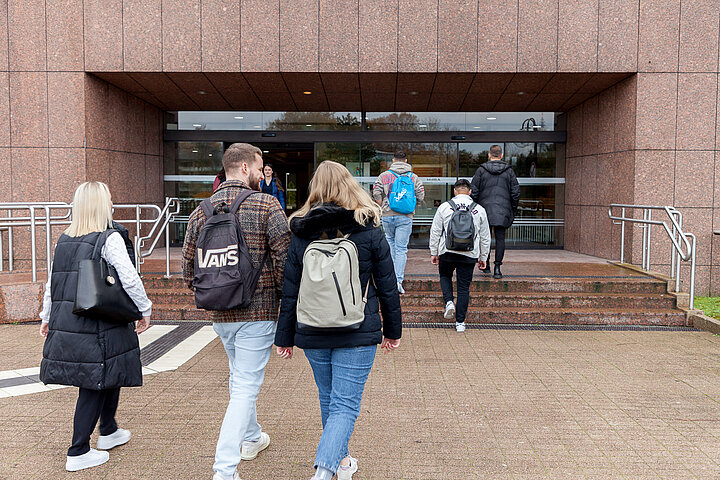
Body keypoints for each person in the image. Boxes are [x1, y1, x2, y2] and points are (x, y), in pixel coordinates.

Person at [275, 160, 402, 480]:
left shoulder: (300, 230)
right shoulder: (368, 227)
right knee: (344, 406)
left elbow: (290, 289)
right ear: (350, 184)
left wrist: (285, 337)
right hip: (358, 328)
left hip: (312, 328)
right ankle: (325, 470)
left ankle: (342, 462)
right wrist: (392, 330)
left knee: (329, 399)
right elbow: (387, 284)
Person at [181, 143, 291, 480]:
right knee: (244, 386)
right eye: (259, 167)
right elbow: (287, 262)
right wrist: (285, 306)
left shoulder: (201, 211)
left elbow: (189, 271)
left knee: (239, 380)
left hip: (220, 314)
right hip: (258, 313)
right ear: (244, 168)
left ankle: (252, 437)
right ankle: (224, 470)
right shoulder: (266, 204)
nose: (262, 173)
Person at [38, 181, 152, 472]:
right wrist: (145, 309)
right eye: (110, 199)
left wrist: (46, 316)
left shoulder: (64, 239)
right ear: (102, 205)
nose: (112, 203)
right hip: (100, 323)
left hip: (73, 321)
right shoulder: (108, 238)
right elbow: (129, 277)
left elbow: (53, 283)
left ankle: (109, 430)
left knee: (108, 373)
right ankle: (77, 451)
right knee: (92, 384)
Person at [429, 179, 491, 332]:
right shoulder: (479, 209)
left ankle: (449, 302)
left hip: (447, 251)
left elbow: (435, 231)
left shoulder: (445, 207)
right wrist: (484, 257)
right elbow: (485, 236)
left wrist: (434, 252)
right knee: (463, 287)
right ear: (469, 192)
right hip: (469, 253)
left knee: (445, 276)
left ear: (455, 192)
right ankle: (460, 323)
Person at [372, 150, 425, 294]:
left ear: (393, 161)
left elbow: (376, 191)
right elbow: (421, 194)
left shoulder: (385, 175)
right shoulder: (413, 177)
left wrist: (381, 204)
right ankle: (398, 282)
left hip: (388, 215)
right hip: (405, 216)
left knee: (390, 245)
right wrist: (411, 205)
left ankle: (389, 280)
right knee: (401, 248)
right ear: (406, 161)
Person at [470, 144, 520, 279]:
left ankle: (485, 264)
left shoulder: (481, 170)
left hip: (484, 209)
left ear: (489, 155)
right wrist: (513, 208)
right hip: (503, 210)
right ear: (501, 155)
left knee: (484, 238)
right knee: (500, 239)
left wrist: (473, 207)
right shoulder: (509, 171)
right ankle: (497, 268)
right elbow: (515, 192)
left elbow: (473, 190)